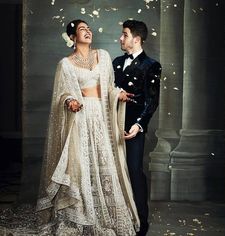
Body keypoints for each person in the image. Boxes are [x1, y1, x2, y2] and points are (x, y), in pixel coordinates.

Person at [36, 19, 140, 235]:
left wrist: (118, 94)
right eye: (82, 29)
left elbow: (109, 87)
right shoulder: (65, 64)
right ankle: (81, 217)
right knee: (80, 166)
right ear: (72, 37)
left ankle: (107, 216)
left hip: (100, 118)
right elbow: (62, 95)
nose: (88, 31)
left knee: (103, 163)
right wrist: (70, 102)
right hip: (80, 119)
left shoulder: (102, 56)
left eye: (89, 28)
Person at [112, 20, 162, 236]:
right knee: (112, 172)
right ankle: (116, 218)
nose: (120, 39)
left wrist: (139, 125)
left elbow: (152, 101)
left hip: (133, 128)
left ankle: (141, 222)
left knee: (133, 171)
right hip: (110, 124)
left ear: (136, 39)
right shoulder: (114, 62)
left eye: (124, 35)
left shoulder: (151, 65)